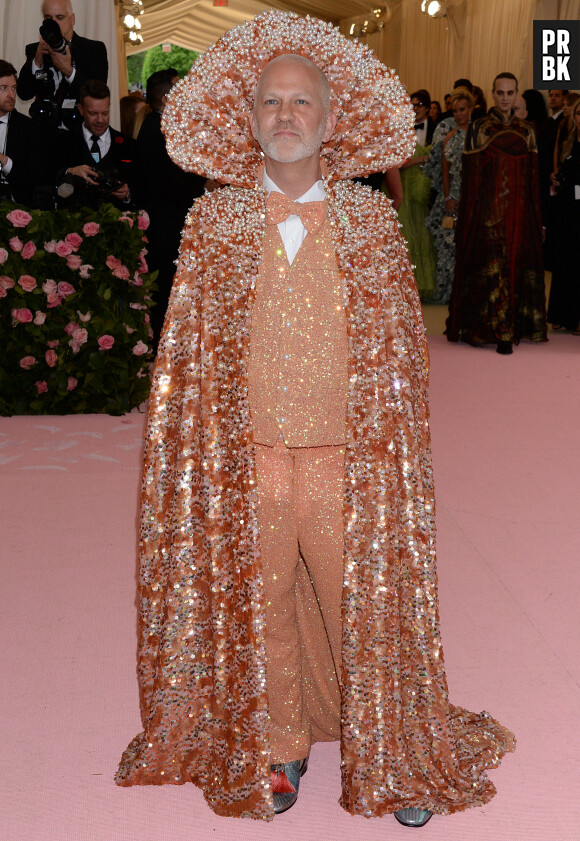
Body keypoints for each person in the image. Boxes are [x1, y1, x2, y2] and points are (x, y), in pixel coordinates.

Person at [116, 10, 515, 825]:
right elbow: (185, 362)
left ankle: (391, 749)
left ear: (332, 119)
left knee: (359, 599)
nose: (287, 116)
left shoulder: (370, 224)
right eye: (271, 103)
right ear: (248, 117)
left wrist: (389, 459)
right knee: (261, 601)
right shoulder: (214, 223)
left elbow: (402, 363)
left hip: (345, 457)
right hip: (249, 452)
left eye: (303, 102)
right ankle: (279, 740)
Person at [447, 72, 547, 353]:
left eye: (510, 93)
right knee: (492, 269)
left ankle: (510, 326)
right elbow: (471, 179)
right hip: (488, 213)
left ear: (517, 94)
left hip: (518, 212)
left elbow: (532, 180)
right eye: (500, 93)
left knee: (513, 266)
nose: (505, 98)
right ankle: (499, 330)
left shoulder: (527, 131)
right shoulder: (478, 128)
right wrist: (470, 217)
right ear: (493, 94)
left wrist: (536, 219)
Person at [137, 69, 206, 348]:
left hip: (167, 226)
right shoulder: (160, 131)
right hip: (166, 230)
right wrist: (205, 186)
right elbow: (173, 184)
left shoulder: (159, 126)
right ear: (167, 97)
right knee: (166, 296)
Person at [17, 0, 108, 129]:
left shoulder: (92, 50)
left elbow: (99, 95)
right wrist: (37, 63)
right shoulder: (35, 50)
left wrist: (70, 72)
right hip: (42, 132)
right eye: (48, 18)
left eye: (60, 17)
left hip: (78, 133)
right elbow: (24, 93)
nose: (54, 23)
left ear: (72, 19)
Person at [424, 88, 474, 304]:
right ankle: (450, 292)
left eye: (462, 110)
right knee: (449, 245)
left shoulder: (480, 135)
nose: (458, 114)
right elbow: (445, 171)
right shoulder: (450, 138)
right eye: (455, 111)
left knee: (471, 244)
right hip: (453, 197)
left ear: (471, 109)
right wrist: (448, 198)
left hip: (475, 197)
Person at [57, 80, 136, 209]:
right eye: (93, 113)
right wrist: (70, 172)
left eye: (105, 113)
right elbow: (49, 178)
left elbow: (142, 190)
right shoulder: (64, 142)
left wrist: (127, 196)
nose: (100, 120)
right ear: (81, 110)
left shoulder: (128, 145)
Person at [398, 89, 437, 299]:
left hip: (427, 188)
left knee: (424, 233)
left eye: (420, 104)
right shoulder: (401, 130)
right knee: (408, 234)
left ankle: (423, 284)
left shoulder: (436, 129)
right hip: (405, 185)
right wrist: (419, 160)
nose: (416, 108)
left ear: (429, 108)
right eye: (413, 104)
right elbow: (396, 164)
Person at [547, 98, 580, 333]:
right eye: (578, 113)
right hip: (567, 210)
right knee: (564, 261)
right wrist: (557, 179)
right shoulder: (569, 142)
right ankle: (562, 315)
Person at [0, 60, 33, 204]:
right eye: (4, 88)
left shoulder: (27, 127)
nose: (11, 95)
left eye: (13, 88)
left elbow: (32, 178)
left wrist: (4, 162)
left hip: (15, 205)